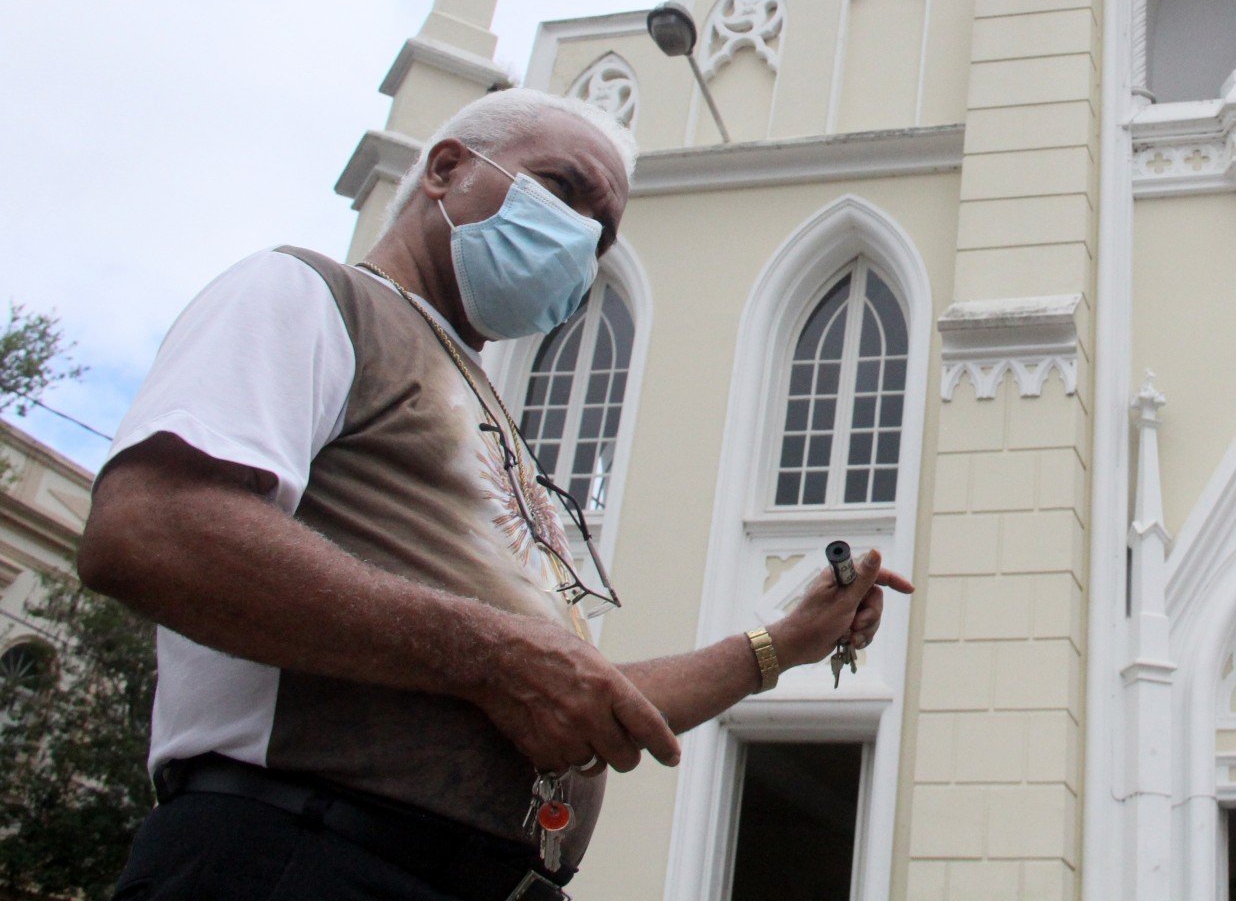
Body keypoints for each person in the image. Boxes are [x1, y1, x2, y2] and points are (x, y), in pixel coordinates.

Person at [79, 88, 912, 901]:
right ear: (445, 168)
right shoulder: (314, 297)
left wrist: (779, 645)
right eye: (562, 189)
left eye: (603, 232)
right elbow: (152, 528)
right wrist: (495, 654)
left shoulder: (493, 423)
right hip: (303, 854)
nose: (582, 238)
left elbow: (574, 696)